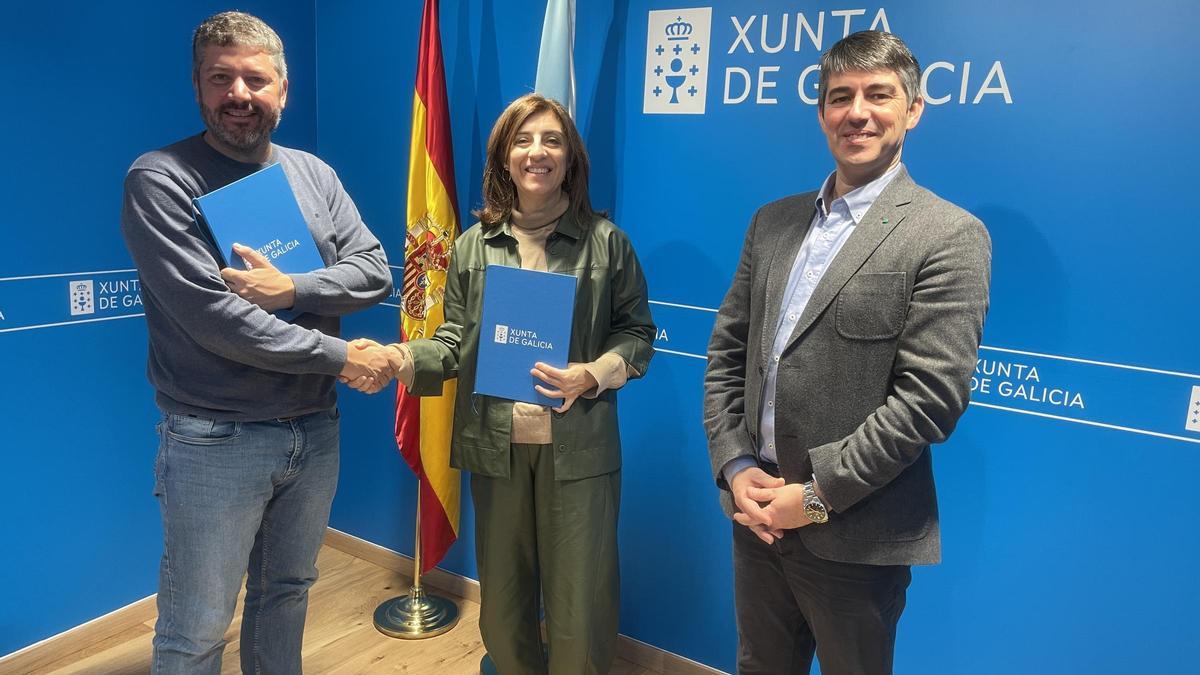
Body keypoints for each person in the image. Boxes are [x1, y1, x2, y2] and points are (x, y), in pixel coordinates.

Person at [703, 30, 992, 675]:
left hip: (856, 536)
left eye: (878, 95)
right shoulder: (772, 222)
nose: (857, 111)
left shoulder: (948, 235)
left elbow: (929, 402)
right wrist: (736, 465)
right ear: (821, 112)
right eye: (840, 97)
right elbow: (728, 352)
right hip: (757, 517)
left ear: (913, 110)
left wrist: (813, 497)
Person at [120, 11, 396, 673]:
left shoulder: (313, 174)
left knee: (287, 592)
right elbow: (218, 319)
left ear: (283, 90)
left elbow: (375, 271)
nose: (239, 93)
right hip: (215, 439)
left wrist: (290, 287)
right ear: (198, 86)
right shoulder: (161, 179)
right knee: (196, 626)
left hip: (313, 427)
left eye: (255, 78)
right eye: (222, 77)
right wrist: (342, 355)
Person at [375, 93, 655, 674]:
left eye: (552, 140)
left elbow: (637, 335)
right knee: (501, 607)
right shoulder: (473, 247)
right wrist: (399, 359)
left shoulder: (607, 243)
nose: (537, 152)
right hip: (495, 449)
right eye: (522, 141)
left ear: (570, 158)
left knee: (580, 606)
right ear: (504, 157)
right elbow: (455, 341)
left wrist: (593, 373)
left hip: (578, 451)